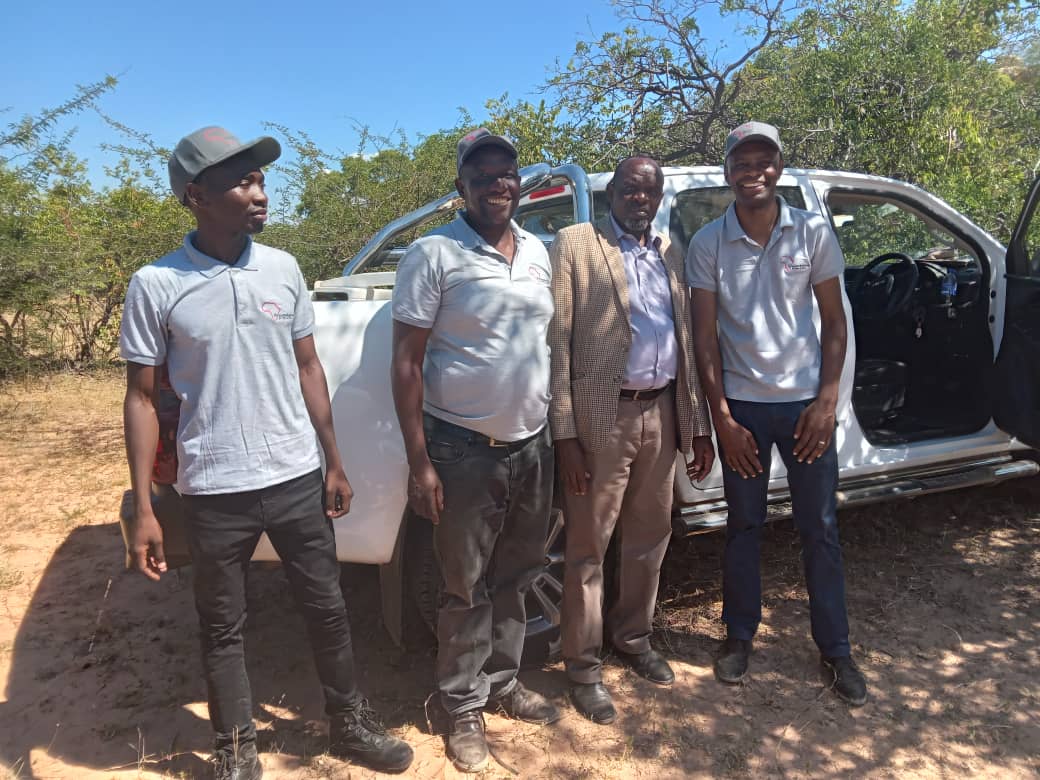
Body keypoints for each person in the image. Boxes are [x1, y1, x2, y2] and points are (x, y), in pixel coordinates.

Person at [120, 126, 414, 779]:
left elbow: (309, 367)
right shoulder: (156, 284)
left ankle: (349, 723)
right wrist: (143, 506)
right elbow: (140, 399)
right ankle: (235, 748)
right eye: (242, 181)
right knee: (222, 624)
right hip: (212, 486)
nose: (260, 193)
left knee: (327, 607)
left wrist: (334, 461)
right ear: (196, 195)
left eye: (260, 179)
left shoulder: (282, 269)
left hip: (294, 476)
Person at [390, 128, 561, 772]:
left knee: (518, 574)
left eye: (507, 173)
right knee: (463, 586)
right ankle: (460, 705)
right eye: (482, 175)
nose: (498, 184)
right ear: (461, 186)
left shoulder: (538, 251)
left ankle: (503, 681)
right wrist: (420, 461)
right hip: (462, 448)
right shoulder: (433, 253)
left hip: (532, 444)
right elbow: (406, 364)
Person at [686, 121, 868, 706]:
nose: (753, 171)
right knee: (743, 527)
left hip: (805, 409)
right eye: (742, 162)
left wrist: (827, 401)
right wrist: (722, 418)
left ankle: (836, 649)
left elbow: (834, 322)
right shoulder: (708, 243)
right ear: (728, 172)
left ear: (779, 169)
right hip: (743, 410)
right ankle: (739, 636)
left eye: (764, 161)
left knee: (820, 528)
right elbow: (704, 338)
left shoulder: (812, 232)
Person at [548, 155, 715, 724]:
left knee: (650, 534)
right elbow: (558, 342)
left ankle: (634, 637)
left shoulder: (670, 252)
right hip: (604, 418)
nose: (638, 198)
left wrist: (695, 425)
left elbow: (685, 339)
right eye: (628, 188)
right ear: (612, 192)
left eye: (649, 190)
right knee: (587, 547)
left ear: (659, 196)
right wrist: (566, 436)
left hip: (662, 410)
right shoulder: (576, 244)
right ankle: (582, 665)